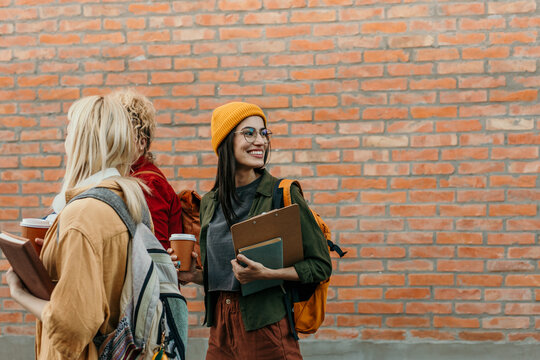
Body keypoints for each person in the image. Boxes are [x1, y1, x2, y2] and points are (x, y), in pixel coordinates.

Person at [175, 101, 332, 359]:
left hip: (265, 327)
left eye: (263, 133)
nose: (260, 141)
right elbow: (228, 275)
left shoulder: (281, 193)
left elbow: (320, 266)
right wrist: (194, 276)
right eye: (249, 133)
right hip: (219, 331)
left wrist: (269, 274)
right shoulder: (210, 202)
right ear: (225, 141)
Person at [6, 95, 148, 359]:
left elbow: (72, 328)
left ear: (82, 141)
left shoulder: (82, 216)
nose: (66, 141)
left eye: (69, 131)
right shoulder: (125, 200)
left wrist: (18, 293)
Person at [112, 89, 182, 250]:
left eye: (121, 135)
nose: (113, 142)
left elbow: (155, 248)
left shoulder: (148, 184)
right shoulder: (135, 177)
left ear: (142, 142)